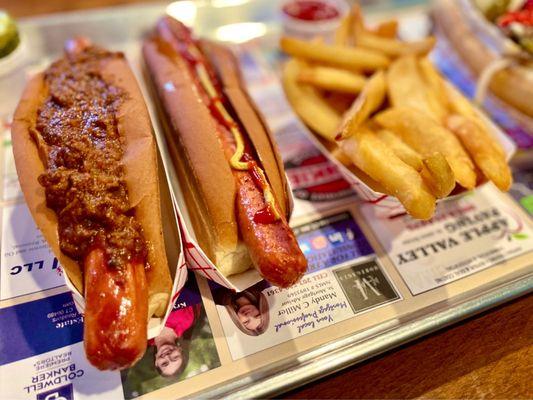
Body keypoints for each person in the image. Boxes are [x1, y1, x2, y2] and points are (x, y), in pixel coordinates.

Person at [151, 305, 198, 377]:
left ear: (156, 362)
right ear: (180, 350)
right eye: (175, 357)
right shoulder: (186, 319)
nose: (167, 356)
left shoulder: (139, 339)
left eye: (164, 363)